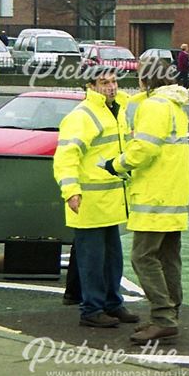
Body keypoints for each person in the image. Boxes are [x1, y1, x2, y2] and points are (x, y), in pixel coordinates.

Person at [104, 56, 189, 344]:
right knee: (167, 257)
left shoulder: (154, 107)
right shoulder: (173, 106)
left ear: (146, 79)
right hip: (172, 194)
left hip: (154, 195)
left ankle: (163, 317)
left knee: (142, 257)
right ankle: (170, 313)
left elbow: (144, 149)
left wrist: (116, 164)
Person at [53, 65, 139, 329]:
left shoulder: (118, 109)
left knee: (112, 258)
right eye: (104, 82)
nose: (111, 86)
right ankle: (91, 309)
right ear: (90, 87)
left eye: (113, 81)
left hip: (111, 201)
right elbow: (66, 157)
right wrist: (71, 192)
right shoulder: (83, 116)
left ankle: (112, 303)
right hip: (89, 202)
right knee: (92, 260)